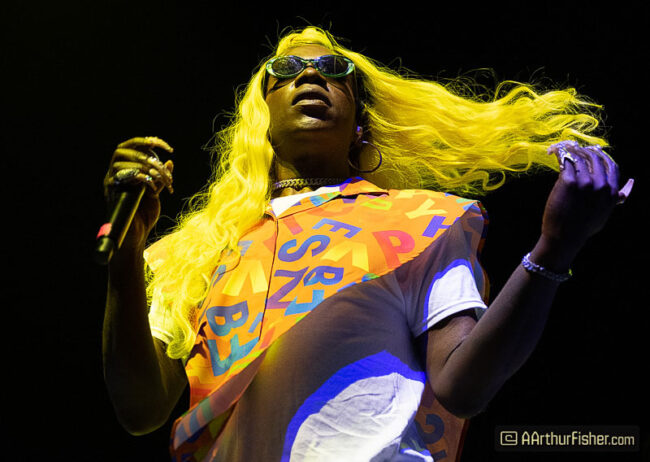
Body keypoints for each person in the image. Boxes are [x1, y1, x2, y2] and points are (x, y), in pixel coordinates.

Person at [101, 27, 633, 461]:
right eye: (286, 70)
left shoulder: (420, 222)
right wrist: (126, 254)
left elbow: (463, 386)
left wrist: (555, 247)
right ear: (261, 118)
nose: (311, 74)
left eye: (335, 70)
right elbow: (140, 410)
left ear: (360, 122)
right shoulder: (199, 251)